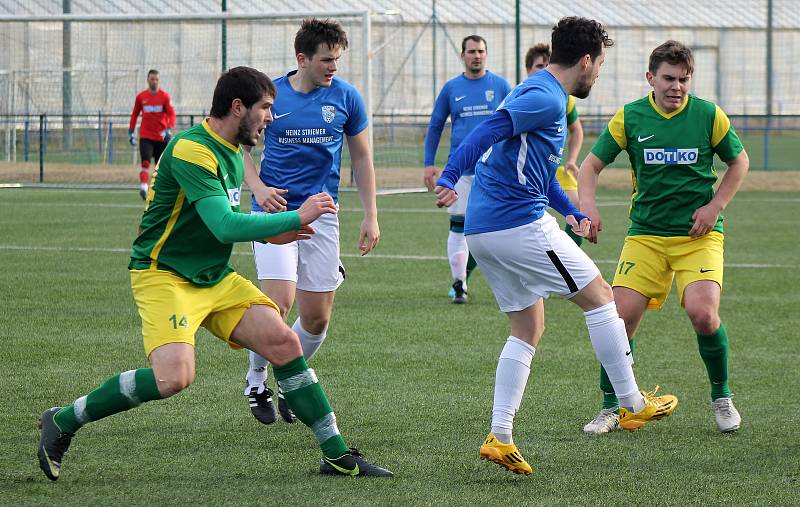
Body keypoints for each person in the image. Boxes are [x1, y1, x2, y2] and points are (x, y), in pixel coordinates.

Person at [37, 66, 393, 481]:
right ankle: (63, 420)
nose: (271, 118)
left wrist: (279, 234)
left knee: (283, 341)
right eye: (265, 108)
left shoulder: (232, 150)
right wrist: (297, 215)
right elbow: (224, 225)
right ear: (237, 107)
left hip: (214, 275)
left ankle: (335, 453)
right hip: (164, 275)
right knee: (175, 377)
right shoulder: (192, 149)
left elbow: (227, 222)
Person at [434, 17, 678, 476]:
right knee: (601, 297)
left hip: (487, 233)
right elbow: (487, 131)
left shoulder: (544, 94)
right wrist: (449, 174)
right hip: (516, 226)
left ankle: (499, 437)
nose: (599, 73)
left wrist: (571, 212)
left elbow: (540, 173)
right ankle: (630, 402)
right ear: (585, 61)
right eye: (600, 64)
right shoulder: (545, 95)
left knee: (528, 327)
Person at [578, 40, 748, 435]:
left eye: (684, 79)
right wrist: (589, 206)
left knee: (704, 315)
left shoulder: (708, 115)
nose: (676, 87)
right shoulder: (630, 117)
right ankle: (612, 406)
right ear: (650, 78)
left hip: (698, 236)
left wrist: (715, 207)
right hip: (647, 236)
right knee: (618, 321)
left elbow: (739, 161)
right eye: (669, 78)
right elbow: (590, 166)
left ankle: (722, 396)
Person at [241, 18, 380, 426]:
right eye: (326, 60)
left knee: (317, 318)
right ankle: (256, 378)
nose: (333, 67)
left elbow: (362, 158)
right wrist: (259, 187)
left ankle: (289, 378)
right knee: (278, 304)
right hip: (273, 216)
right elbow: (238, 147)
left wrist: (371, 214)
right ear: (302, 59)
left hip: (322, 217)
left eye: (337, 59)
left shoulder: (347, 98)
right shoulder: (269, 95)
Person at [423, 35, 512, 304]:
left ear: (487, 54)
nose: (476, 56)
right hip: (460, 170)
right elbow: (436, 125)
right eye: (471, 51)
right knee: (459, 225)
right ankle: (460, 284)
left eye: (481, 51)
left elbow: (514, 125)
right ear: (462, 55)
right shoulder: (451, 88)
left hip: (494, 170)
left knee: (501, 227)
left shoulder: (501, 86)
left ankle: (509, 284)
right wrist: (429, 163)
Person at [526, 43, 585, 246]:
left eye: (547, 65)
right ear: (528, 70)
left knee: (577, 207)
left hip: (555, 169)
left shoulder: (564, 98)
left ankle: (570, 258)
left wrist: (571, 160)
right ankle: (462, 277)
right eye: (539, 66)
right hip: (530, 170)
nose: (544, 70)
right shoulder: (524, 96)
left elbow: (576, 130)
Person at [129, 69, 177, 200]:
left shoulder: (165, 97)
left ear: (159, 81)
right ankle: (144, 187)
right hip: (146, 136)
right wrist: (131, 131)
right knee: (145, 162)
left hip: (161, 137)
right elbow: (134, 114)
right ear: (147, 80)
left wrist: (168, 128)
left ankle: (157, 191)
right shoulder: (141, 97)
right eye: (152, 79)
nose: (154, 82)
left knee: (159, 166)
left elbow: (172, 114)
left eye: (156, 79)